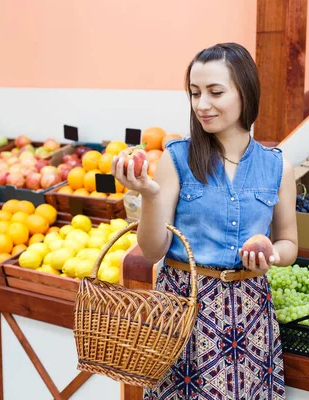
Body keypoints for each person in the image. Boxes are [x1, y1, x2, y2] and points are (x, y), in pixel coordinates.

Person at [112, 42, 298, 400]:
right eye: (194, 93)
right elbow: (152, 251)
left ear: (246, 92)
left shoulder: (278, 168)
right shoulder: (176, 159)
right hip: (184, 310)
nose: (201, 105)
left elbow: (289, 243)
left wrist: (270, 254)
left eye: (215, 92)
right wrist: (149, 196)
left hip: (250, 313)